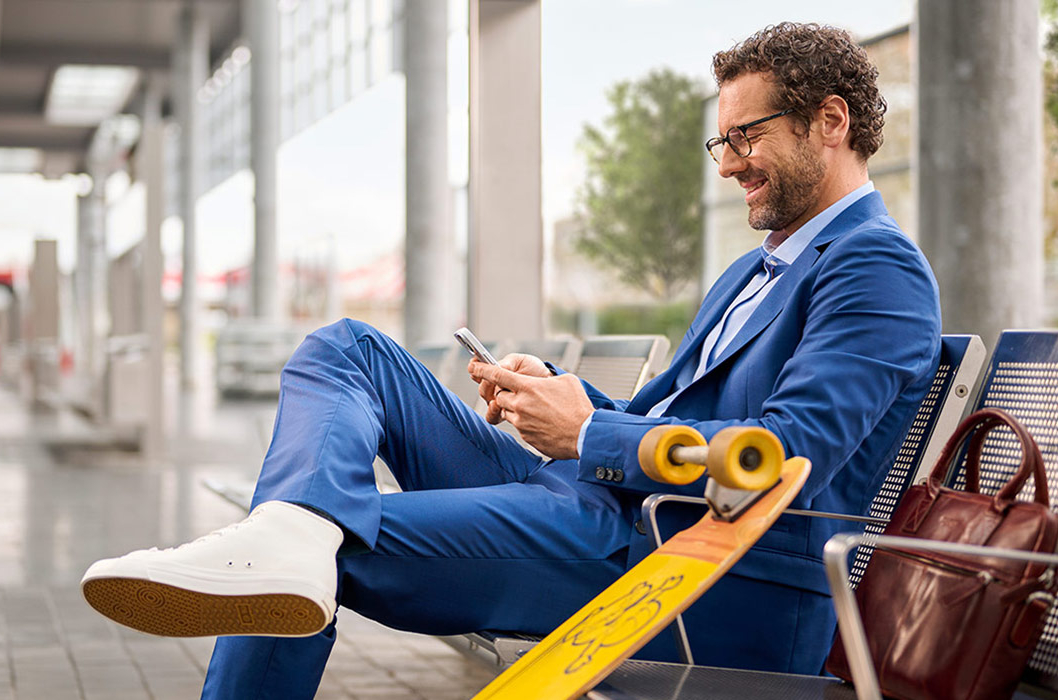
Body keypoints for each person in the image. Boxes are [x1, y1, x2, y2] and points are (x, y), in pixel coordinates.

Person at [81, 22, 940, 698]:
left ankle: (279, 536)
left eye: (745, 135)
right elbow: (682, 423)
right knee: (349, 349)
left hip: (693, 569)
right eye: (722, 144)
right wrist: (564, 398)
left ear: (829, 122)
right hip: (607, 508)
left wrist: (589, 434)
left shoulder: (876, 268)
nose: (730, 167)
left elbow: (782, 456)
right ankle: (280, 530)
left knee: (312, 552)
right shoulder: (755, 270)